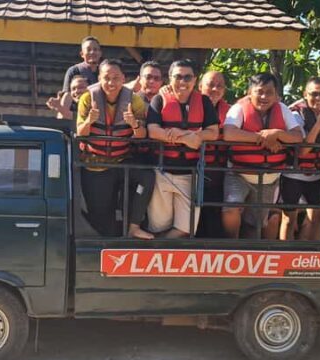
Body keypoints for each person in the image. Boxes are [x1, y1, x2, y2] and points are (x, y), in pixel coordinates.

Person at [76, 59, 154, 239]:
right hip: (95, 164)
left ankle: (134, 226)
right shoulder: (88, 98)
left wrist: (134, 124)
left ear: (123, 78)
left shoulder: (134, 101)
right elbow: (81, 133)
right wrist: (90, 120)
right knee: (103, 218)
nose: (111, 83)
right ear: (99, 79)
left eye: (116, 78)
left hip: (121, 161)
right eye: (106, 78)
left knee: (147, 176)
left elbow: (141, 135)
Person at [222, 73, 303, 239]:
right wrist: (263, 138)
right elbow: (229, 133)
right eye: (260, 91)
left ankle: (250, 253)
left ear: (276, 94)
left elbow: (297, 137)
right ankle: (231, 245)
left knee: (255, 223)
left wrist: (277, 133)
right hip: (239, 173)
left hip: (269, 178)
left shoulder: (282, 109)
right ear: (250, 92)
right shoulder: (239, 108)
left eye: (269, 92)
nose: (264, 96)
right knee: (230, 208)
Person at [146, 60, 220, 238]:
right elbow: (153, 131)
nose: (183, 81)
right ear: (170, 79)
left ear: (195, 80)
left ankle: (157, 248)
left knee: (186, 228)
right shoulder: (159, 99)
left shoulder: (203, 102)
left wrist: (192, 136)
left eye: (187, 77)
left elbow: (213, 132)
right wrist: (188, 137)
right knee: (159, 224)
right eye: (178, 76)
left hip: (190, 172)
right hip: (162, 171)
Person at [280, 77, 320, 241]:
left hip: (315, 174)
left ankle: (307, 256)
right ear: (305, 94)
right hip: (292, 174)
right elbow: (303, 152)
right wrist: (318, 126)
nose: (318, 98)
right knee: (289, 219)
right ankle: (285, 255)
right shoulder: (295, 113)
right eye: (314, 94)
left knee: (317, 216)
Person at [195, 71, 230, 238]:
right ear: (200, 86)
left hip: (219, 173)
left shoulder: (232, 112)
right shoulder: (188, 106)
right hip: (192, 171)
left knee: (215, 219)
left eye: (220, 86)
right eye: (210, 85)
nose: (215, 89)